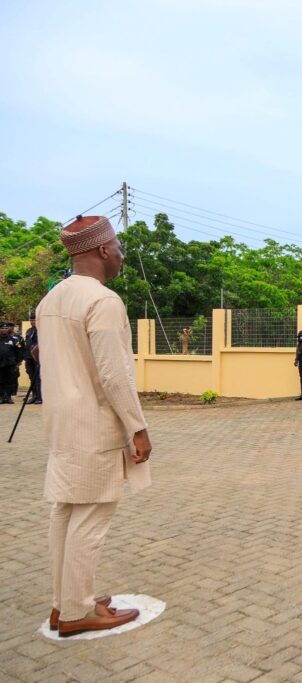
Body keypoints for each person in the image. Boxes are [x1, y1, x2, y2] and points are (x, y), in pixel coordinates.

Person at [35, 215, 150, 637]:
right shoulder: (102, 300)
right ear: (102, 249)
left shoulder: (51, 300)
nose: (120, 255)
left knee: (65, 513)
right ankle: (77, 612)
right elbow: (114, 375)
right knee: (91, 519)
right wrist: (137, 427)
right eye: (118, 247)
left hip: (62, 426)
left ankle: (64, 602)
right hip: (95, 427)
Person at [0, 321, 24, 404]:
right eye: (2, 328)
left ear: (8, 330)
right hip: (0, 364)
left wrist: (18, 362)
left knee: (10, 381)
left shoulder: (14, 340)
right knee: (0, 381)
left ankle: (8, 397)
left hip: (10, 364)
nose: (4, 330)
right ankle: (1, 397)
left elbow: (20, 351)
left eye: (6, 328)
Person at [24, 311, 42, 404]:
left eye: (34, 320)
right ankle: (34, 395)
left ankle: (40, 397)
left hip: (38, 358)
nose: (32, 322)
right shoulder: (29, 331)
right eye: (31, 320)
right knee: (31, 377)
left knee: (38, 377)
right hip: (29, 357)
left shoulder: (42, 330)